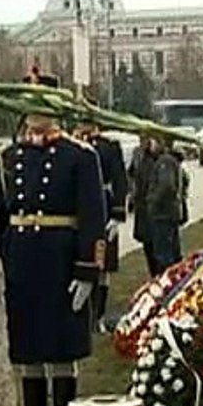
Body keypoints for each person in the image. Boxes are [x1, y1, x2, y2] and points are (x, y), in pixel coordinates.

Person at [0, 71, 107, 406]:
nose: (35, 114)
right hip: (22, 264)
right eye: (29, 105)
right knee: (28, 353)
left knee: (60, 352)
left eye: (41, 105)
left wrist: (88, 270)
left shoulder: (79, 157)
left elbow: (92, 216)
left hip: (60, 263)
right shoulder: (8, 159)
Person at [73, 116, 129, 332]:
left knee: (102, 264)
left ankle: (98, 315)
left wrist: (117, 214)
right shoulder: (72, 144)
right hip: (77, 209)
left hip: (103, 207)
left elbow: (119, 180)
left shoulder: (108, 146)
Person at [144, 138, 186, 272]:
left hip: (163, 214)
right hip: (169, 213)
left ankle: (168, 282)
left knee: (164, 255)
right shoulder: (170, 160)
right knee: (172, 251)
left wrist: (152, 201)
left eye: (154, 142)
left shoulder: (165, 161)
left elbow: (166, 185)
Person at [129, 138, 162, 277]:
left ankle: (161, 275)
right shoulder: (138, 155)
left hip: (157, 209)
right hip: (142, 206)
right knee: (147, 243)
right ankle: (154, 274)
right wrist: (132, 195)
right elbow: (132, 174)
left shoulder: (162, 158)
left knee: (159, 246)